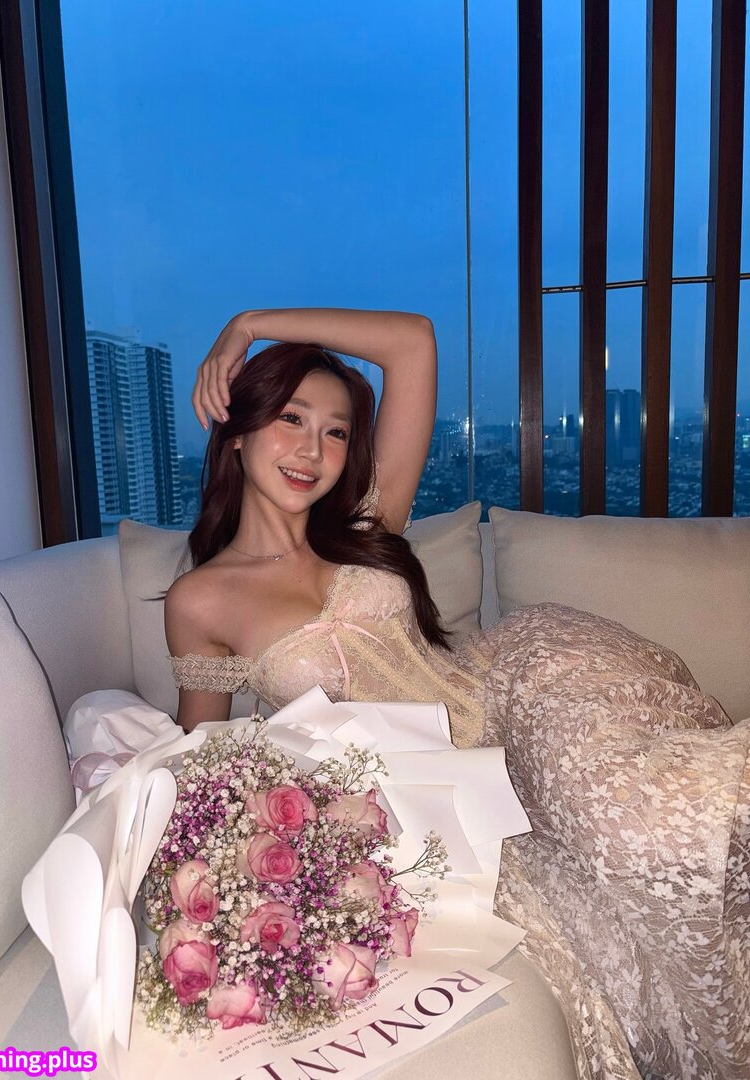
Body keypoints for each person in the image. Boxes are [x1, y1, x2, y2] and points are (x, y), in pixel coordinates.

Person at [166, 309, 749, 1080]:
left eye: (336, 431)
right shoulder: (201, 601)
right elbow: (201, 756)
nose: (312, 450)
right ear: (237, 432)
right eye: (290, 419)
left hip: (514, 694)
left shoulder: (368, 522)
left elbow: (412, 343)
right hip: (445, 798)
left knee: (639, 820)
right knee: (585, 948)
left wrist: (247, 325)